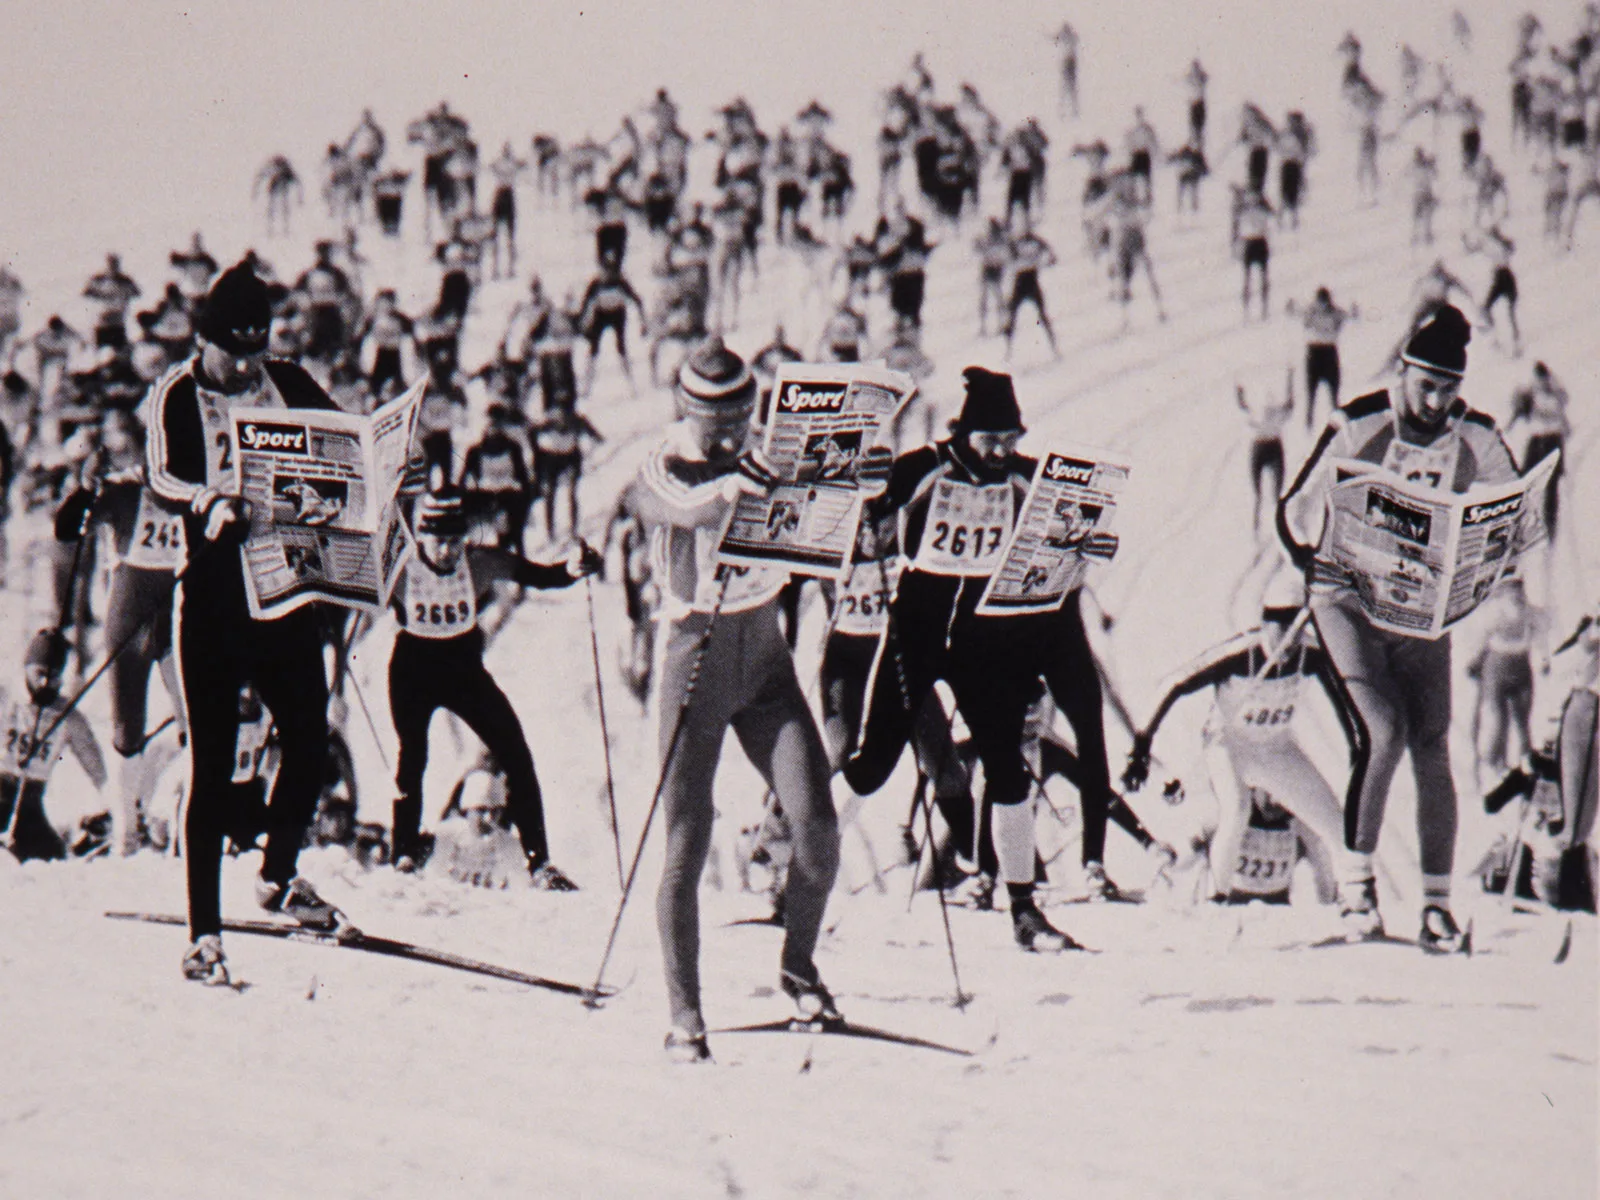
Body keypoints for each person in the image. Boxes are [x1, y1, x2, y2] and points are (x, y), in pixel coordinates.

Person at [845, 367, 1123, 945]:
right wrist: (869, 500)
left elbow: (1067, 531)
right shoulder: (925, 465)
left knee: (1007, 770)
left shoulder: (1025, 477)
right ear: (963, 432)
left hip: (985, 637)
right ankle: (796, 869)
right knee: (874, 762)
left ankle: (1024, 910)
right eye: (988, 439)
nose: (1000, 450)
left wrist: (1092, 543)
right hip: (918, 627)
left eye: (1009, 438)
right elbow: (866, 506)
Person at [1276, 305, 1519, 949]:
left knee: (1432, 744)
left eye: (1450, 388)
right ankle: (1358, 889)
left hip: (1418, 608)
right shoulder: (1359, 423)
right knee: (1381, 733)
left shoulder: (1477, 435)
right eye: (1426, 385)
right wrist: (1319, 559)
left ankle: (1437, 905)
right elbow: (1290, 509)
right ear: (1404, 373)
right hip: (1349, 601)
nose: (1437, 401)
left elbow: (1515, 516)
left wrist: (1486, 570)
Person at [631, 337, 842, 1062]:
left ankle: (799, 966)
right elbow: (658, 499)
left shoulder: (766, 447)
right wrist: (722, 492)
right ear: (686, 410)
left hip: (767, 654)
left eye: (740, 419)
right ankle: (684, 1014)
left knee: (815, 824)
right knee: (687, 838)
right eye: (713, 421)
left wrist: (859, 475)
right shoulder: (670, 457)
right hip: (698, 654)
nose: (728, 434)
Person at [145, 259, 355, 984]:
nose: (245, 365)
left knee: (306, 738)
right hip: (212, 598)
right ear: (205, 341)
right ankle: (203, 935)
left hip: (282, 588)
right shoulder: (177, 392)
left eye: (255, 350)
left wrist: (396, 467)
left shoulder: (284, 379)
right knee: (212, 760)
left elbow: (345, 441)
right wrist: (209, 502)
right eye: (233, 351)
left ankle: (277, 876)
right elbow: (162, 475)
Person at [387, 481, 599, 883]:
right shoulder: (399, 568)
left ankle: (539, 862)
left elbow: (539, 575)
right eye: (439, 542)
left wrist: (573, 569)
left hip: (462, 668)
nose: (448, 551)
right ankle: (404, 852)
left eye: (455, 541)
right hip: (412, 668)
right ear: (422, 538)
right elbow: (348, 582)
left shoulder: (480, 562)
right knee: (412, 756)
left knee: (515, 753)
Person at [1124, 574, 1354, 905]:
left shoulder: (1310, 654)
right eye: (1280, 634)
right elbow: (1173, 684)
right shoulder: (1239, 653)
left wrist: (1356, 747)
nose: (1286, 648)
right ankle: (1216, 898)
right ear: (1265, 624)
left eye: (1294, 637)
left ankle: (1351, 899)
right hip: (1228, 744)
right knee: (1236, 809)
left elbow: (1343, 701)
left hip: (1276, 747)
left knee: (1333, 819)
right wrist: (1141, 748)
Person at [50, 415, 187, 855]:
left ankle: (184, 825)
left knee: (196, 721)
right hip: (129, 621)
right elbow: (66, 527)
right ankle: (126, 834)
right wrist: (85, 488)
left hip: (174, 617)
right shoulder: (126, 490)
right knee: (129, 728)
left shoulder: (192, 491)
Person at [0, 629, 107, 862]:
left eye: (55, 676)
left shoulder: (67, 716)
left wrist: (111, 803)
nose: (46, 682)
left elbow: (96, 765)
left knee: (52, 858)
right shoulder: (6, 698)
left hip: (29, 803)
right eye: (40, 673)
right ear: (26, 668)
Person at [1288, 288, 1357, 429]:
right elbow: (1295, 313)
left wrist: (1354, 310)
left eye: (1324, 301)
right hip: (1314, 353)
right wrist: (1290, 307)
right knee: (1310, 393)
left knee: (1333, 393)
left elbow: (1350, 316)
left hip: (1329, 352)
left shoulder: (1335, 312)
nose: (1322, 305)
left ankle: (1336, 425)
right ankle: (1308, 426)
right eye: (1320, 301)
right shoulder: (1310, 311)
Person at [1237, 376, 1293, 543]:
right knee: (1263, 494)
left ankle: (1264, 531)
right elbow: (1290, 405)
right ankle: (1258, 532)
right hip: (1267, 448)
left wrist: (1239, 390)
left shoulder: (1262, 412)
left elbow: (1243, 406)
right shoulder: (1274, 412)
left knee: (1264, 494)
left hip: (1264, 448)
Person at [1003, 229, 1060, 361]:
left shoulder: (1026, 243)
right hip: (1026, 281)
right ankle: (1008, 350)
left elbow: (1049, 252)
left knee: (1019, 316)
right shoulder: (1027, 243)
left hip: (1026, 281)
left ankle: (1008, 351)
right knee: (1015, 316)